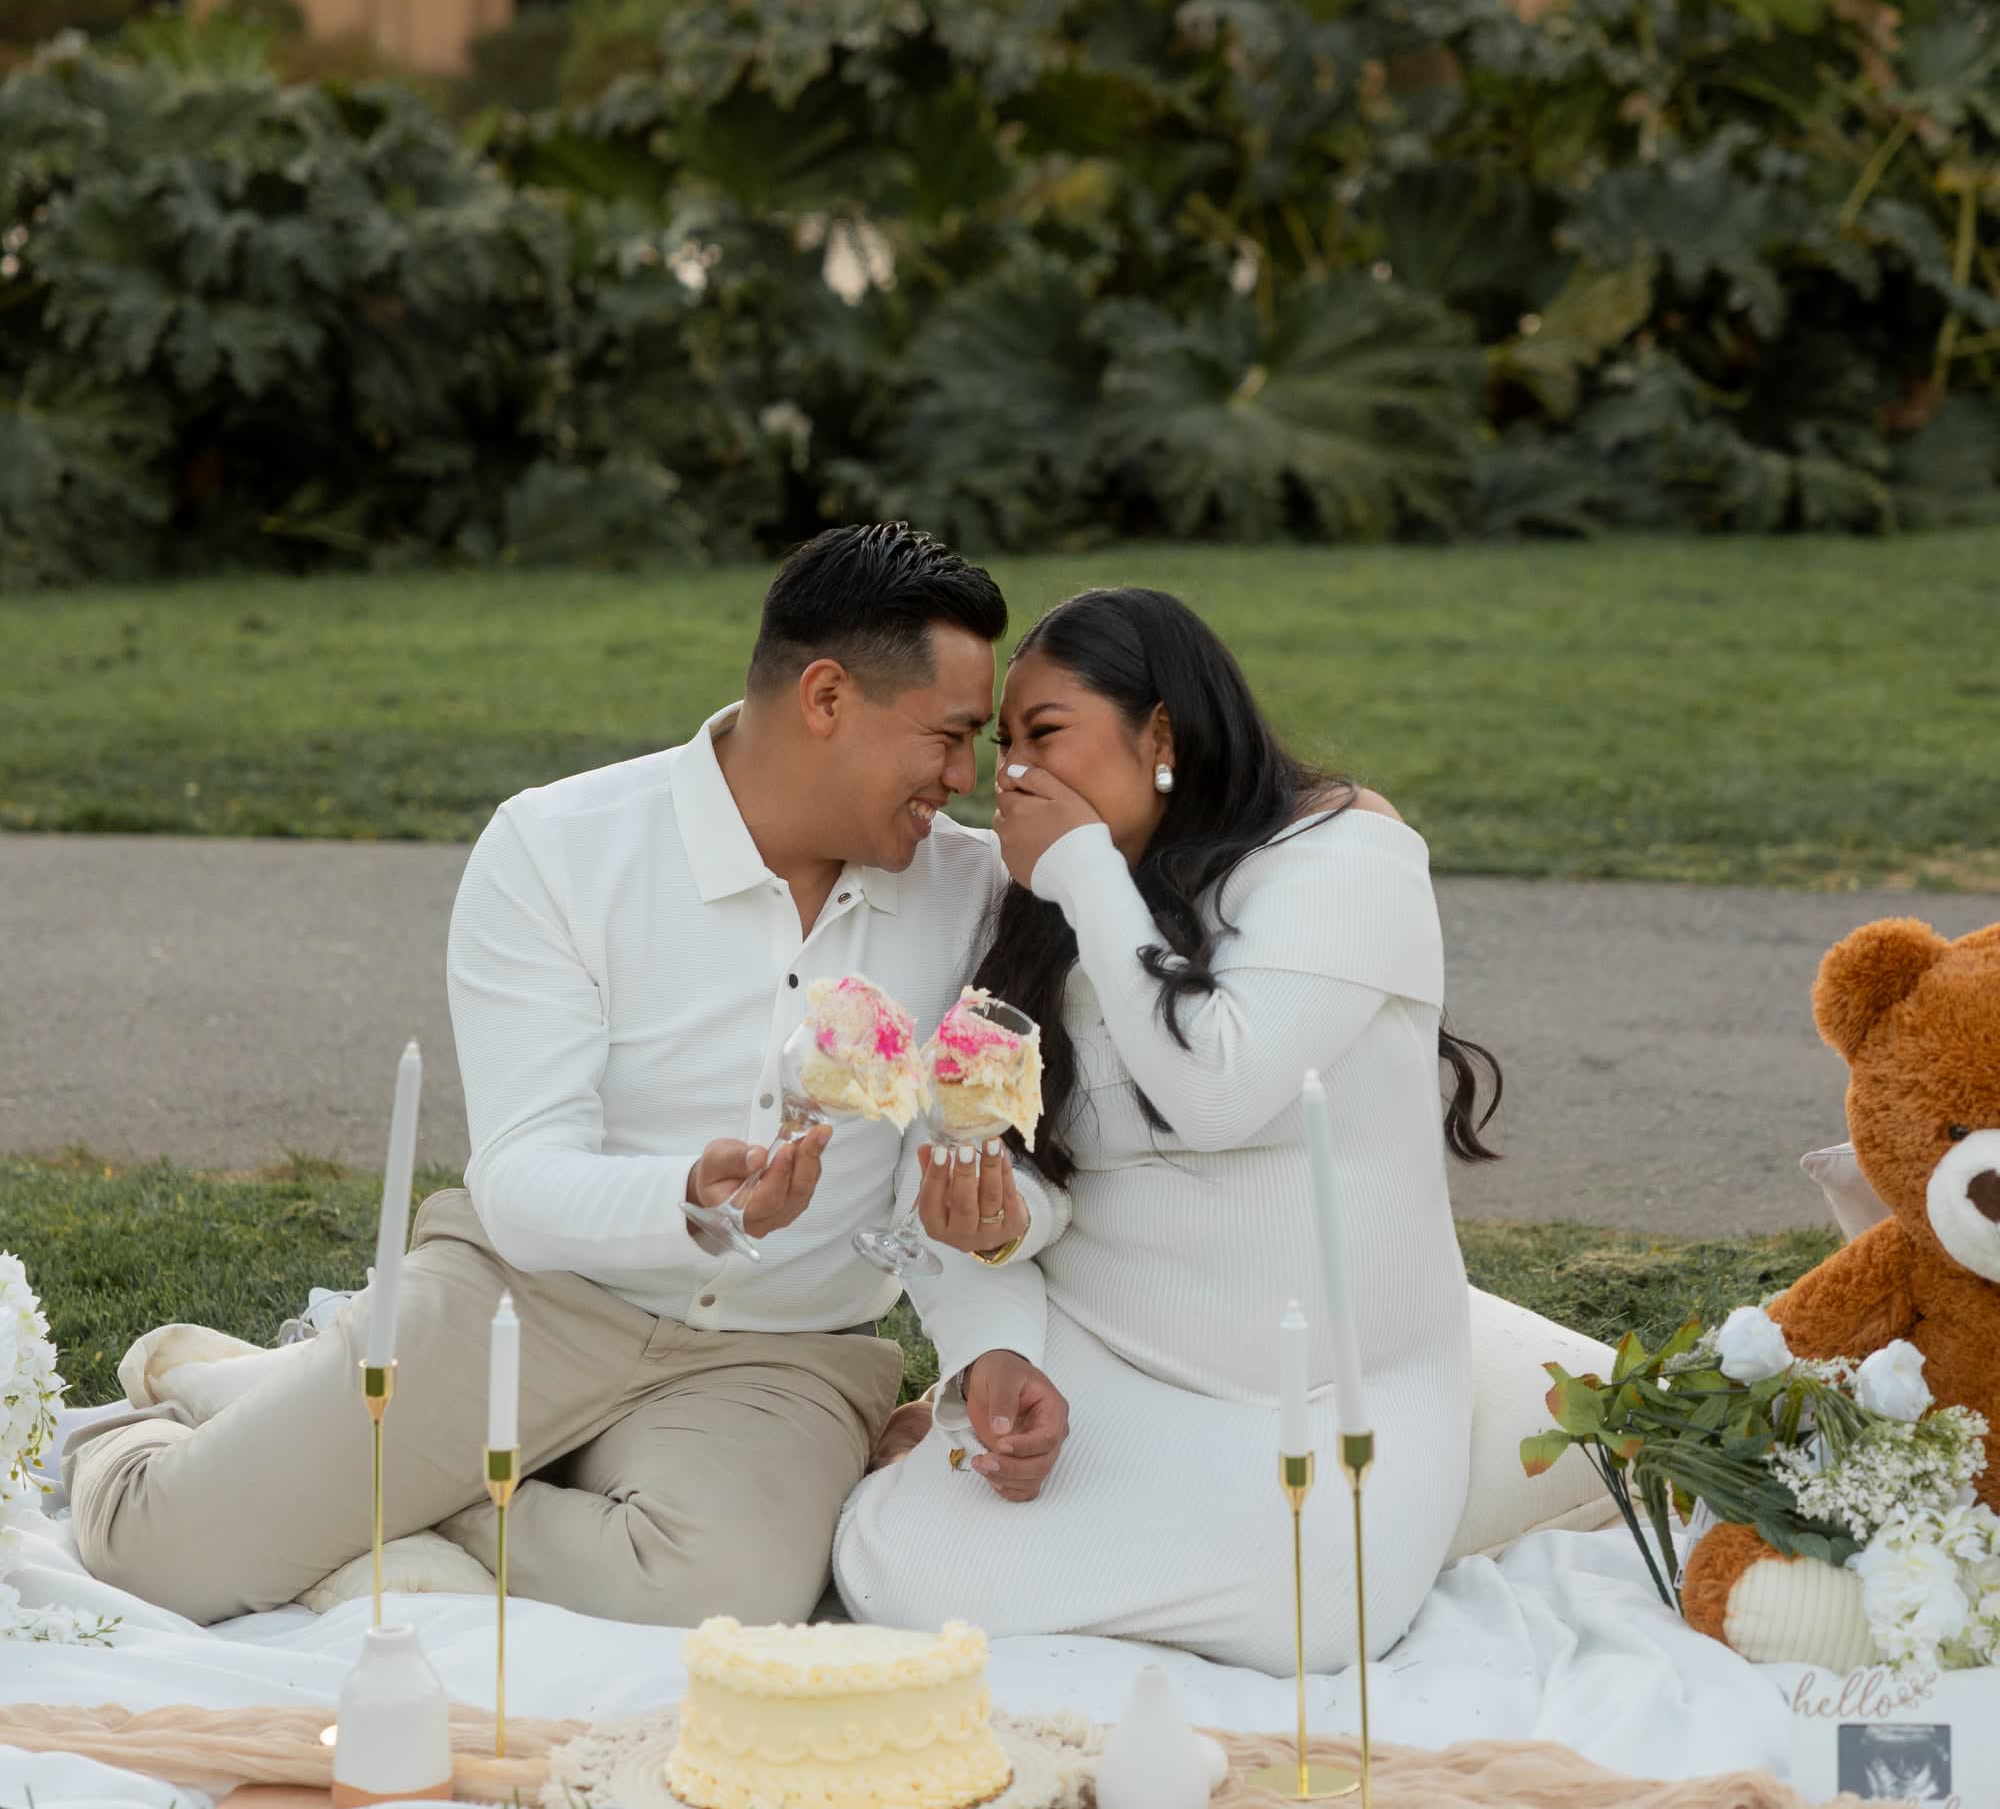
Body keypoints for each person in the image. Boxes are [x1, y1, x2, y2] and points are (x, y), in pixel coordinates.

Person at [65, 522, 1061, 1627]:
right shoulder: (557, 849)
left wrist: (982, 1353)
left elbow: (950, 1185)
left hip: (780, 1356)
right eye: (949, 736)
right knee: (168, 1559)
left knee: (728, 1591)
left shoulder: (970, 893)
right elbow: (522, 1176)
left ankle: (397, 1488)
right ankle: (185, 1414)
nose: (965, 778)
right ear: (824, 698)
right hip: (529, 1297)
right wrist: (685, 1197)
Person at [837, 584, 1500, 1676]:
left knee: (1313, 1622)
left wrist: (1086, 873)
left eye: (1044, 735)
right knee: (890, 1579)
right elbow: (1028, 1158)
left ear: (1160, 734)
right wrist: (1000, 1232)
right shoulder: (1047, 913)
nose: (1011, 776)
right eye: (1004, 746)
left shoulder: (1344, 857)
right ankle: (952, 1456)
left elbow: (1214, 1088)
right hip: (1108, 1369)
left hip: (1325, 1392)